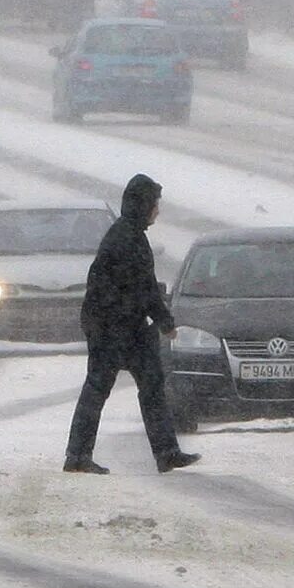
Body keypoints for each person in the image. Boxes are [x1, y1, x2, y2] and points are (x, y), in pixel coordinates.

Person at [63, 174, 200, 475]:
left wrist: (156, 319)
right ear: (143, 205)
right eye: (155, 204)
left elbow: (141, 288)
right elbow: (143, 287)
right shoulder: (127, 239)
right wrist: (164, 321)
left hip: (123, 325)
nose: (158, 211)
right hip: (113, 328)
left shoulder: (130, 235)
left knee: (147, 386)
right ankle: (78, 457)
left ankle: (165, 452)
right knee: (102, 389)